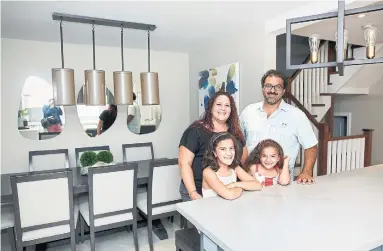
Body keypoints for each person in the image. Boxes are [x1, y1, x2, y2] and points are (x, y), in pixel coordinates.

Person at [240, 69, 318, 185]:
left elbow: (311, 146)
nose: (272, 90)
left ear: (283, 91)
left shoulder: (297, 115)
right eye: (268, 86)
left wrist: (306, 172)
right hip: (250, 180)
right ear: (262, 89)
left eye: (277, 87)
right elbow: (238, 141)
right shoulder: (248, 112)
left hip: (282, 181)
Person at [178, 90, 248, 201]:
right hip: (199, 191)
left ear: (231, 110)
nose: (223, 108)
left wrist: (239, 184)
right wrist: (193, 192)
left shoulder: (235, 132)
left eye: (227, 105)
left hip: (229, 189)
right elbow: (184, 163)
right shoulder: (195, 130)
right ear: (211, 107)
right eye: (219, 104)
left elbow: (243, 159)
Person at [202, 132, 262, 200]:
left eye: (231, 148)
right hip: (212, 209)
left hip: (230, 208)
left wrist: (235, 184)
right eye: (223, 149)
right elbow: (230, 195)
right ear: (214, 153)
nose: (229, 153)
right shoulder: (208, 172)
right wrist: (243, 187)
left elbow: (258, 185)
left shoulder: (235, 168)